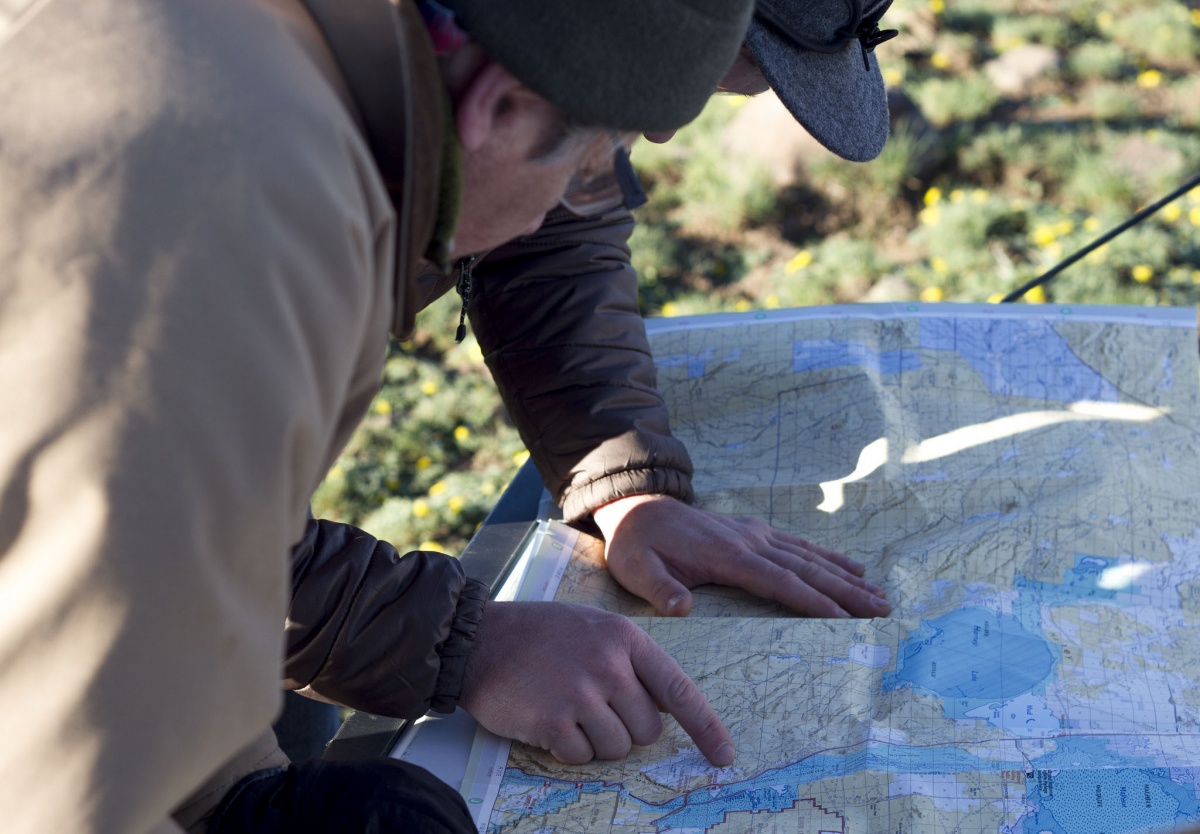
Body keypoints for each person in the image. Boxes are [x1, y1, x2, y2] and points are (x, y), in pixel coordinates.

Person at [0, 0, 755, 831]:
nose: (552, 218)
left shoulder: (281, 79)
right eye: (584, 166)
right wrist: (461, 649)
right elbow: (84, 678)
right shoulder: (254, 214)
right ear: (496, 108)